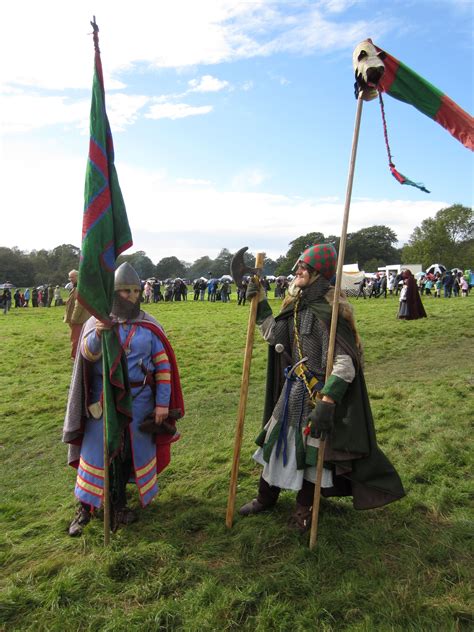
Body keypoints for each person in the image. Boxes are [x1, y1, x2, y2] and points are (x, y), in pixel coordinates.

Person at [239, 244, 405, 532]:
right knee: (275, 444)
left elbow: (345, 363)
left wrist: (327, 402)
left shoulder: (331, 311)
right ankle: (265, 498)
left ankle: (304, 510)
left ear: (318, 273)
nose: (297, 272)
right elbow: (275, 337)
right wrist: (261, 305)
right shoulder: (296, 305)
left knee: (313, 458)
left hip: (317, 396)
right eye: (299, 267)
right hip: (291, 392)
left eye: (303, 268)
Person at [63, 262, 184, 536]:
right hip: (104, 402)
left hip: (140, 402)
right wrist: (97, 335)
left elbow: (163, 366)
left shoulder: (149, 325)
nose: (130, 296)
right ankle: (84, 507)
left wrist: (163, 404)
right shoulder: (97, 321)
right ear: (113, 292)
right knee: (96, 454)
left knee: (126, 455)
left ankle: (118, 504)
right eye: (124, 291)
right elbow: (86, 355)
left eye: (134, 291)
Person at [64, 270, 91, 359]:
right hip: (79, 318)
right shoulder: (77, 287)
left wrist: (73, 318)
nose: (70, 279)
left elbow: (79, 305)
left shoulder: (80, 287)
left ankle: (75, 356)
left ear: (77, 277)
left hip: (79, 319)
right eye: (69, 277)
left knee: (75, 339)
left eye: (72, 277)